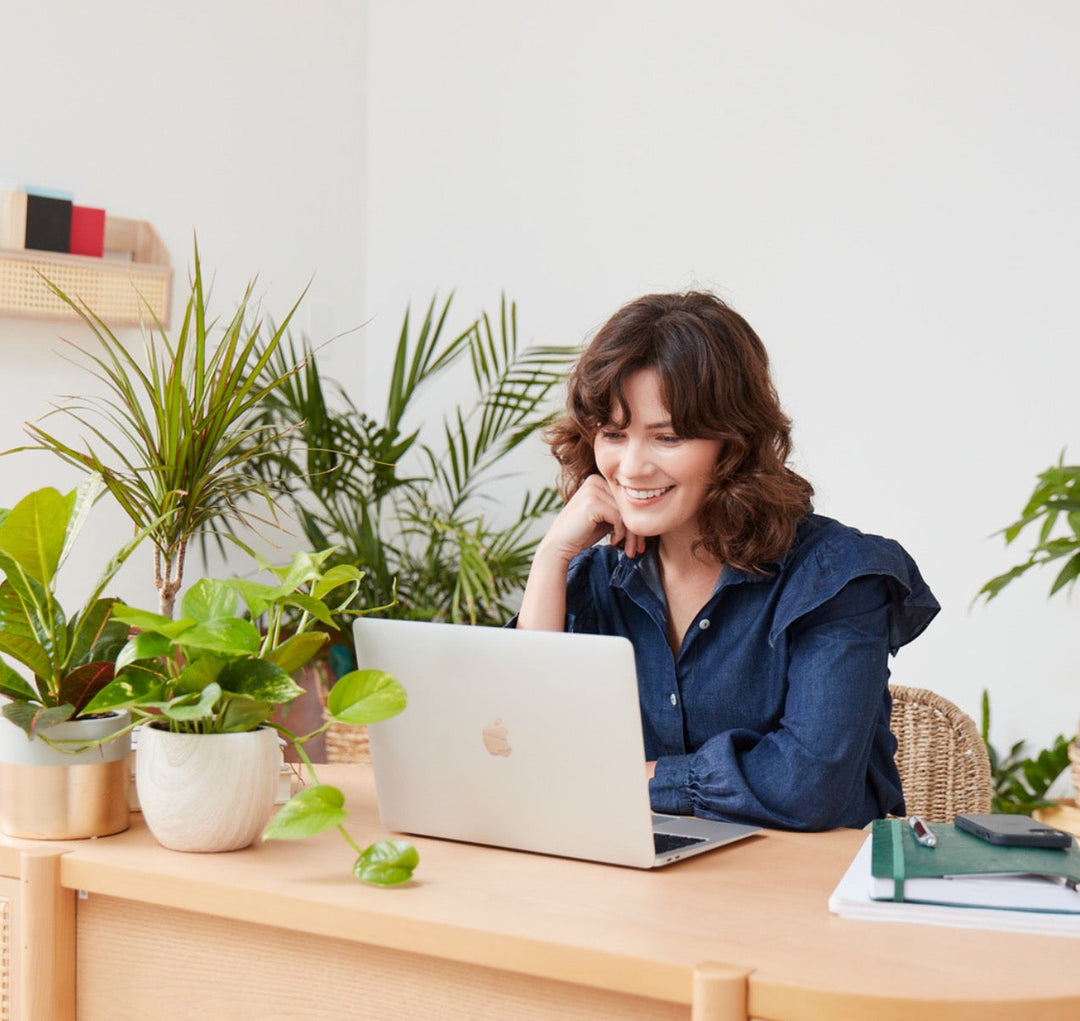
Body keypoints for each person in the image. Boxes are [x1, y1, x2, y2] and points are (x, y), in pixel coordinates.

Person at [516, 291, 939, 831]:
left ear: (734, 443)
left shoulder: (835, 577)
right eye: (614, 434)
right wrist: (550, 558)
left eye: (667, 437)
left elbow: (807, 787)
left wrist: (620, 781)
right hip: (636, 872)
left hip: (807, 879)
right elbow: (523, 754)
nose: (633, 466)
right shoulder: (596, 579)